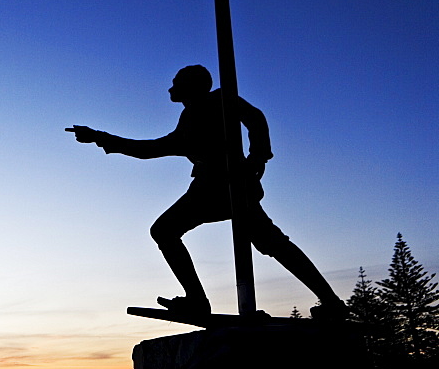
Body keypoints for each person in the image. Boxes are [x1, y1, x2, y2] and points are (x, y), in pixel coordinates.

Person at [68, 65, 347, 319]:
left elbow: (255, 118)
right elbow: (150, 149)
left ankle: (199, 300)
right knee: (270, 242)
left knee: (264, 241)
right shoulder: (188, 119)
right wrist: (99, 137)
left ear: (191, 86)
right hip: (211, 188)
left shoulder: (219, 100)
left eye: (176, 83)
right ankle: (329, 301)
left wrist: (258, 157)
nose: (170, 88)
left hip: (224, 188)